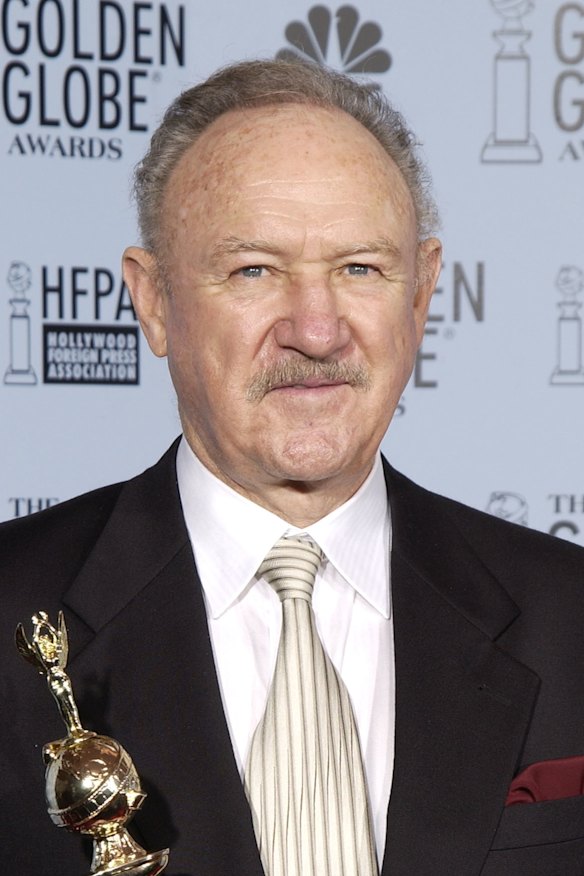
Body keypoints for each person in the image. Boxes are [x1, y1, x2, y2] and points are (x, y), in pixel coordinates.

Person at [2, 59, 584, 876]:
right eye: (254, 270)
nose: (316, 330)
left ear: (419, 300)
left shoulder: (572, 618)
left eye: (360, 269)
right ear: (154, 301)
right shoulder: (10, 607)